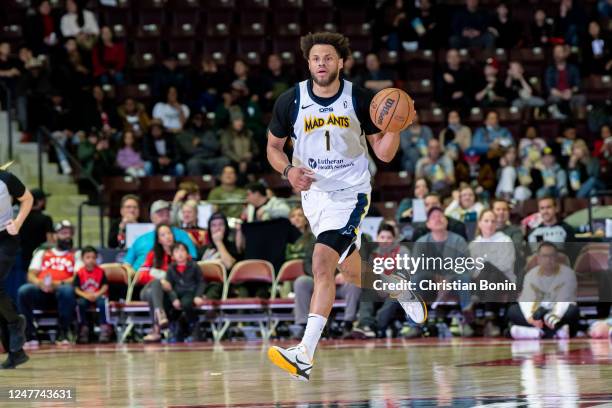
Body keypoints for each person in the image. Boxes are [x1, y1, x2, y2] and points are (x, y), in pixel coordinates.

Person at [266, 32, 425, 381]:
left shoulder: (359, 99)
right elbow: (273, 148)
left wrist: (396, 127)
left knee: (322, 263)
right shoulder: (290, 100)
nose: (321, 63)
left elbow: (382, 154)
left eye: (328, 58)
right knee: (352, 273)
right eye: (316, 58)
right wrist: (289, 170)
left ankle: (304, 353)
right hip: (314, 196)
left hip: (350, 193)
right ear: (308, 63)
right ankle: (397, 286)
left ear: (341, 62)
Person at [18, 220, 81, 346]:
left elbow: (76, 278)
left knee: (67, 290)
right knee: (24, 290)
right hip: (42, 292)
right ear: (55, 236)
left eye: (69, 233)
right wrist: (41, 283)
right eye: (63, 233)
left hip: (62, 293)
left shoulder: (76, 254)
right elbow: (31, 274)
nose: (67, 236)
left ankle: (63, 332)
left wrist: (56, 284)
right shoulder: (42, 253)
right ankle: (30, 333)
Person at [507, 242, 579, 339]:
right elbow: (527, 299)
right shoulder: (531, 275)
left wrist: (552, 318)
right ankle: (556, 332)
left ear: (556, 257)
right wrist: (531, 319)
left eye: (551, 256)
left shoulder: (568, 274)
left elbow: (564, 301)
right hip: (537, 313)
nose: (548, 260)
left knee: (573, 311)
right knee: (513, 310)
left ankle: (533, 332)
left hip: (557, 314)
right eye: (544, 256)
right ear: (538, 259)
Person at [0, 169, 33, 368]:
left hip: (6, 237)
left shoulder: (6, 178)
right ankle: (16, 352)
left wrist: (18, 222)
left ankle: (15, 323)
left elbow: (27, 198)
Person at [123, 200, 197, 270]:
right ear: (152, 217)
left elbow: (192, 260)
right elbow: (127, 264)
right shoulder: (141, 239)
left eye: (167, 214)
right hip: (138, 277)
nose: (165, 217)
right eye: (161, 214)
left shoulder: (182, 235)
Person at [138, 224, 175, 342]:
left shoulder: (180, 252)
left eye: (169, 233)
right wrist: (161, 279)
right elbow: (141, 275)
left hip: (168, 292)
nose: (167, 237)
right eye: (163, 235)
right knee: (155, 284)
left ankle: (156, 329)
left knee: (152, 294)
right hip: (149, 288)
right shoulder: (152, 255)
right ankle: (160, 314)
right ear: (159, 239)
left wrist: (161, 278)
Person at [165, 242, 206, 341]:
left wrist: (198, 295)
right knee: (166, 303)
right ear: (172, 255)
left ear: (188, 254)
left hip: (190, 291)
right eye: (177, 251)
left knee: (186, 303)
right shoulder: (170, 268)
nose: (180, 253)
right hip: (176, 292)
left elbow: (201, 282)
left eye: (183, 250)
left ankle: (194, 325)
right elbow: (168, 286)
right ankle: (174, 327)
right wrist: (174, 298)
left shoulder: (194, 266)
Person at [74, 246, 112, 344]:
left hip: (98, 295)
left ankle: (104, 328)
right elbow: (76, 289)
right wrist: (86, 295)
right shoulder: (79, 272)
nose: (91, 260)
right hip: (85, 295)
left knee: (103, 303)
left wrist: (97, 294)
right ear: (82, 259)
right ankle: (83, 328)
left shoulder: (100, 271)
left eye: (93, 257)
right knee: (80, 303)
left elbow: (105, 286)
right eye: (88, 257)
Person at [18, 189, 54, 274]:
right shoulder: (46, 219)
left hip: (23, 256)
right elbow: (50, 241)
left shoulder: (20, 218)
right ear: (40, 201)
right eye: (44, 200)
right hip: (40, 258)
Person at [545, 44, 585, 119]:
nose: (557, 55)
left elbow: (578, 85)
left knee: (581, 98)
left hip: (570, 94)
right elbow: (549, 88)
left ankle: (579, 123)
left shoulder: (573, 68)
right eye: (555, 52)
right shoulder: (550, 69)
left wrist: (570, 91)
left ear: (565, 54)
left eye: (559, 52)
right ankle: (558, 120)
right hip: (556, 94)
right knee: (554, 99)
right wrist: (561, 95)